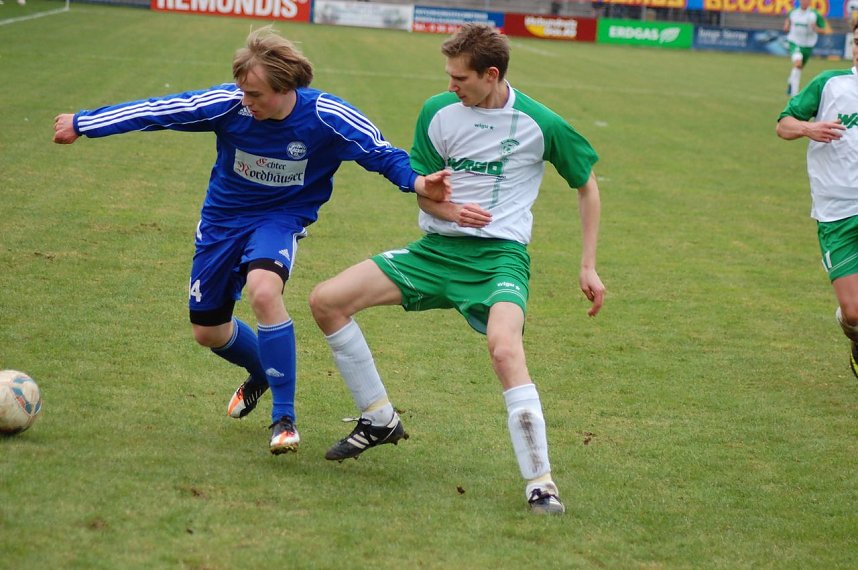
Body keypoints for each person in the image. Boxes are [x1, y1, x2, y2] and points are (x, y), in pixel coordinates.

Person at [52, 26, 451, 455]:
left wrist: (418, 183)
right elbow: (161, 111)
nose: (246, 101)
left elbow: (382, 154)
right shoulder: (229, 105)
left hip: (280, 219)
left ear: (285, 89)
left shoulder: (327, 116)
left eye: (255, 94)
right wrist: (84, 123)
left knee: (264, 291)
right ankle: (262, 369)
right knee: (208, 331)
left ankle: (284, 419)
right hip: (222, 221)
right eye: (243, 91)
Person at [309, 23, 605, 515]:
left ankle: (541, 485)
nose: (451, 86)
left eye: (460, 78)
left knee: (505, 349)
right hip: (435, 253)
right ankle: (379, 418)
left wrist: (588, 265)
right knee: (326, 301)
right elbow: (423, 190)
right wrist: (446, 207)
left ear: (491, 75)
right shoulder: (437, 112)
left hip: (498, 260)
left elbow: (586, 185)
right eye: (448, 76)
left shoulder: (541, 123)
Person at [776, 22, 858, 377]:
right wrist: (809, 128)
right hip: (836, 212)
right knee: (854, 313)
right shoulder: (829, 83)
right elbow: (783, 125)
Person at [783, 0, 827, 96]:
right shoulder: (793, 12)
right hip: (794, 42)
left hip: (808, 45)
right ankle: (794, 94)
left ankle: (790, 82)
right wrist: (786, 26)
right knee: (798, 64)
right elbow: (788, 21)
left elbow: (824, 30)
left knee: (799, 67)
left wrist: (815, 28)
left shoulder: (815, 14)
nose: (804, 2)